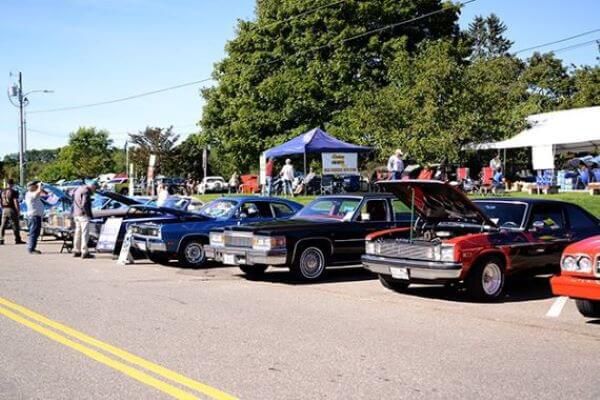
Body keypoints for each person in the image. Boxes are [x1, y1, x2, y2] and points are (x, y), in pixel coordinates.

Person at [72, 180, 98, 259]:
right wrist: (88, 214)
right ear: (92, 186)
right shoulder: (86, 191)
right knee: (85, 233)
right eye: (95, 188)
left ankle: (76, 250)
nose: (95, 190)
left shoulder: (78, 189)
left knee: (78, 233)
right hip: (83, 215)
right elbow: (85, 204)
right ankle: (84, 251)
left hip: (76, 214)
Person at [0, 178, 24, 245]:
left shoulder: (2, 191)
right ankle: (17, 239)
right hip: (11, 209)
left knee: (3, 225)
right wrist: (18, 211)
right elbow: (15, 201)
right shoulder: (13, 191)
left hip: (4, 209)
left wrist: (2, 207)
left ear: (7, 184)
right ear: (12, 184)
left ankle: (1, 239)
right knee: (15, 224)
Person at [25, 181, 46, 254]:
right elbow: (38, 192)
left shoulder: (31, 193)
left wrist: (40, 187)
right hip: (34, 216)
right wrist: (39, 185)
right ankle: (31, 248)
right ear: (31, 186)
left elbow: (44, 193)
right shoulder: (30, 194)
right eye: (35, 185)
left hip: (35, 216)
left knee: (35, 233)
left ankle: (32, 247)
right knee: (34, 233)